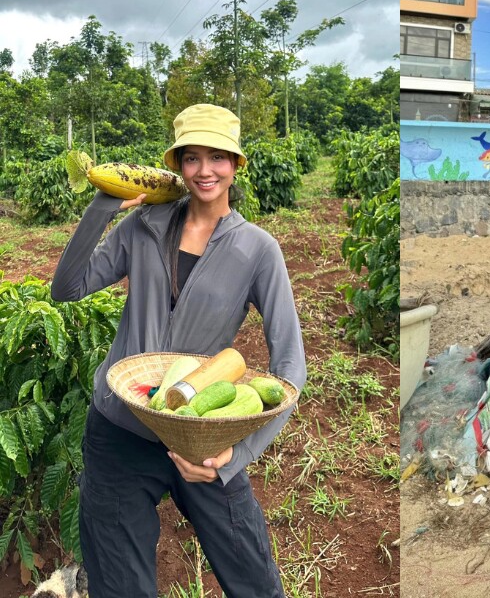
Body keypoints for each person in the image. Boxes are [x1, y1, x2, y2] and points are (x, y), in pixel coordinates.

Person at [51, 103, 306, 597]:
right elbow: (67, 287)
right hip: (119, 428)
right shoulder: (142, 226)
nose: (204, 170)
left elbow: (291, 364)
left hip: (202, 438)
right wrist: (103, 204)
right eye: (191, 158)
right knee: (121, 586)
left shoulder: (257, 249)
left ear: (235, 165)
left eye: (217, 157)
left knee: (254, 580)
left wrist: (234, 455)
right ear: (178, 165)